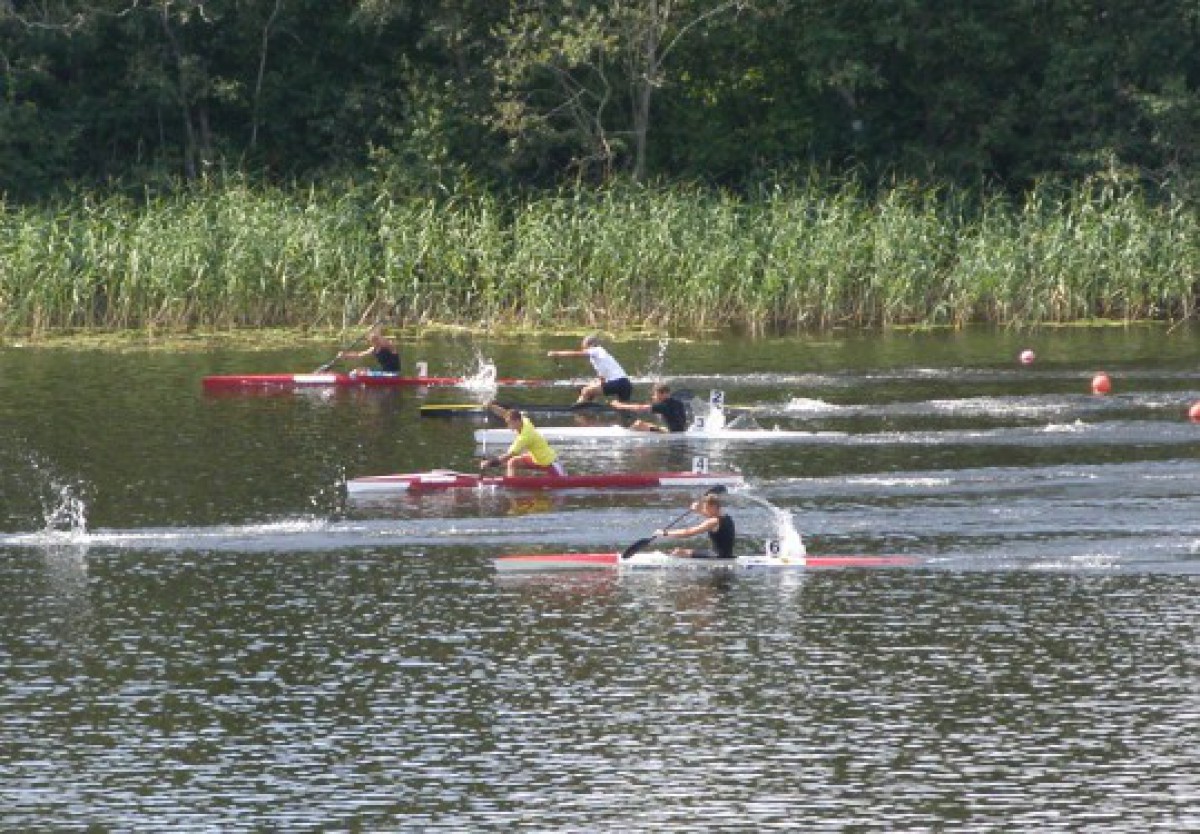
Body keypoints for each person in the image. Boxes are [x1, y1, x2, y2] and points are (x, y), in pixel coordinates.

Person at [481, 402, 567, 477]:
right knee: (513, 462)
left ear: (517, 421)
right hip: (535, 459)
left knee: (562, 484)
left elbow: (507, 456)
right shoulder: (524, 420)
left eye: (510, 423)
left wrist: (489, 463)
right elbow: (504, 413)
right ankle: (511, 482)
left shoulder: (524, 437)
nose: (508, 426)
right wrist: (491, 406)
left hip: (549, 462)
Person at [547, 334, 633, 404]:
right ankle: (589, 408)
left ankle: (577, 410)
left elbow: (576, 354)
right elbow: (602, 378)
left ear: (591, 345)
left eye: (584, 346)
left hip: (618, 383)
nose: (583, 349)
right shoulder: (601, 357)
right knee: (623, 409)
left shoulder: (597, 350)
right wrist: (594, 386)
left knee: (586, 391)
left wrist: (557, 353)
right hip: (626, 385)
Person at [655, 493, 735, 559]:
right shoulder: (726, 517)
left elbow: (688, 533)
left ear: (713, 507)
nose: (705, 510)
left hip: (717, 556)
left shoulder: (713, 522)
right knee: (682, 551)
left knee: (678, 552)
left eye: (706, 508)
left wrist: (665, 533)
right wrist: (697, 510)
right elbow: (710, 514)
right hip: (726, 554)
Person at [609, 383, 689, 432]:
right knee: (646, 424)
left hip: (671, 434)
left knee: (638, 424)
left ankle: (627, 436)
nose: (654, 397)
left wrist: (620, 405)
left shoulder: (664, 405)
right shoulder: (677, 402)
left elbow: (640, 407)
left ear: (663, 394)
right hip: (679, 431)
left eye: (655, 394)